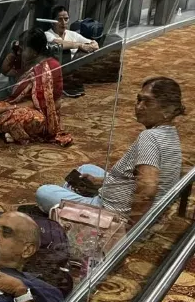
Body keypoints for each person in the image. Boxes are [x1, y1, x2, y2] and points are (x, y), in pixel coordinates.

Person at [36, 77, 184, 223]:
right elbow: (139, 180)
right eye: (139, 100)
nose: (139, 107)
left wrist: (131, 227)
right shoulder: (170, 133)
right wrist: (100, 182)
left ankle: (71, 210)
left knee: (44, 192)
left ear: (167, 109)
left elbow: (147, 189)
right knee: (86, 169)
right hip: (145, 207)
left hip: (113, 212)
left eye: (147, 102)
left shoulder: (149, 137)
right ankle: (72, 200)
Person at [0, 28, 72, 146]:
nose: (20, 51)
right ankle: (8, 129)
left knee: (17, 117)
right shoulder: (26, 61)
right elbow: (6, 70)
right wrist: (14, 52)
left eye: (23, 48)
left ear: (34, 51)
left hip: (41, 113)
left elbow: (40, 102)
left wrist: (3, 110)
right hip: (14, 106)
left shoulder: (50, 66)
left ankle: (6, 127)